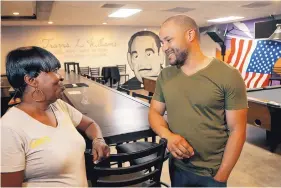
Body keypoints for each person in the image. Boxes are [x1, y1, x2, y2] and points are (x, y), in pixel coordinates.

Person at [149, 15, 248, 187]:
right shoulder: (165, 76)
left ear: (190, 35)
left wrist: (222, 175)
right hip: (177, 167)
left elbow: (237, 130)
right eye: (161, 42)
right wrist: (168, 136)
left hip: (212, 173)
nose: (163, 47)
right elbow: (154, 113)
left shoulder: (228, 75)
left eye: (168, 40)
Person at [1, 46, 110, 187]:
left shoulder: (59, 106)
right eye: (53, 71)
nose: (60, 76)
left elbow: (90, 125)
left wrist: (98, 140)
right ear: (31, 80)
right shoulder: (9, 129)